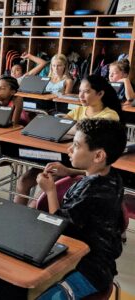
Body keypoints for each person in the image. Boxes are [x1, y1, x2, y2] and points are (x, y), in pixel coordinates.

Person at [36, 119, 126, 300]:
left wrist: (50, 190)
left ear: (99, 156)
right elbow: (94, 175)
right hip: (100, 260)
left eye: (76, 146)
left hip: (89, 270)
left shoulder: (91, 192)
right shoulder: (113, 176)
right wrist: (71, 171)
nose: (69, 149)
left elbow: (59, 226)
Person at [15, 75, 122, 205]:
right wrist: (69, 127)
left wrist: (70, 128)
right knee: (23, 181)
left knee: (39, 199)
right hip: (64, 157)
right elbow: (59, 125)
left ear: (100, 94)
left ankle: (34, 218)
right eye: (80, 91)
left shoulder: (110, 115)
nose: (81, 95)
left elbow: (76, 130)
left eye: (86, 92)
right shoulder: (81, 110)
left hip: (84, 164)